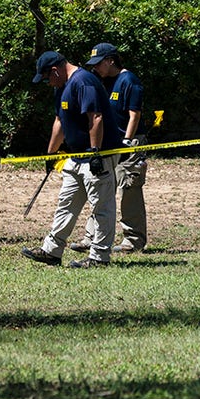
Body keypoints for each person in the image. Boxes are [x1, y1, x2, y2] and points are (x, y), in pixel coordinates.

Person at [21, 51, 122, 268]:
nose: (48, 83)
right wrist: (50, 154)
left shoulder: (83, 82)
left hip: (96, 157)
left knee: (102, 207)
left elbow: (95, 118)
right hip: (75, 158)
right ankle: (52, 250)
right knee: (65, 204)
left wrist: (95, 152)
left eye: (48, 78)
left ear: (55, 70)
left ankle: (99, 257)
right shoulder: (62, 87)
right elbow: (60, 122)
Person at [69, 43, 148, 254]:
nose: (95, 68)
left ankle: (133, 239)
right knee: (101, 188)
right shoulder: (103, 82)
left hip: (128, 144)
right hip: (109, 144)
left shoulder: (129, 80)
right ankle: (91, 236)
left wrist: (127, 143)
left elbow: (135, 115)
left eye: (99, 63)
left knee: (129, 188)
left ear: (110, 61)